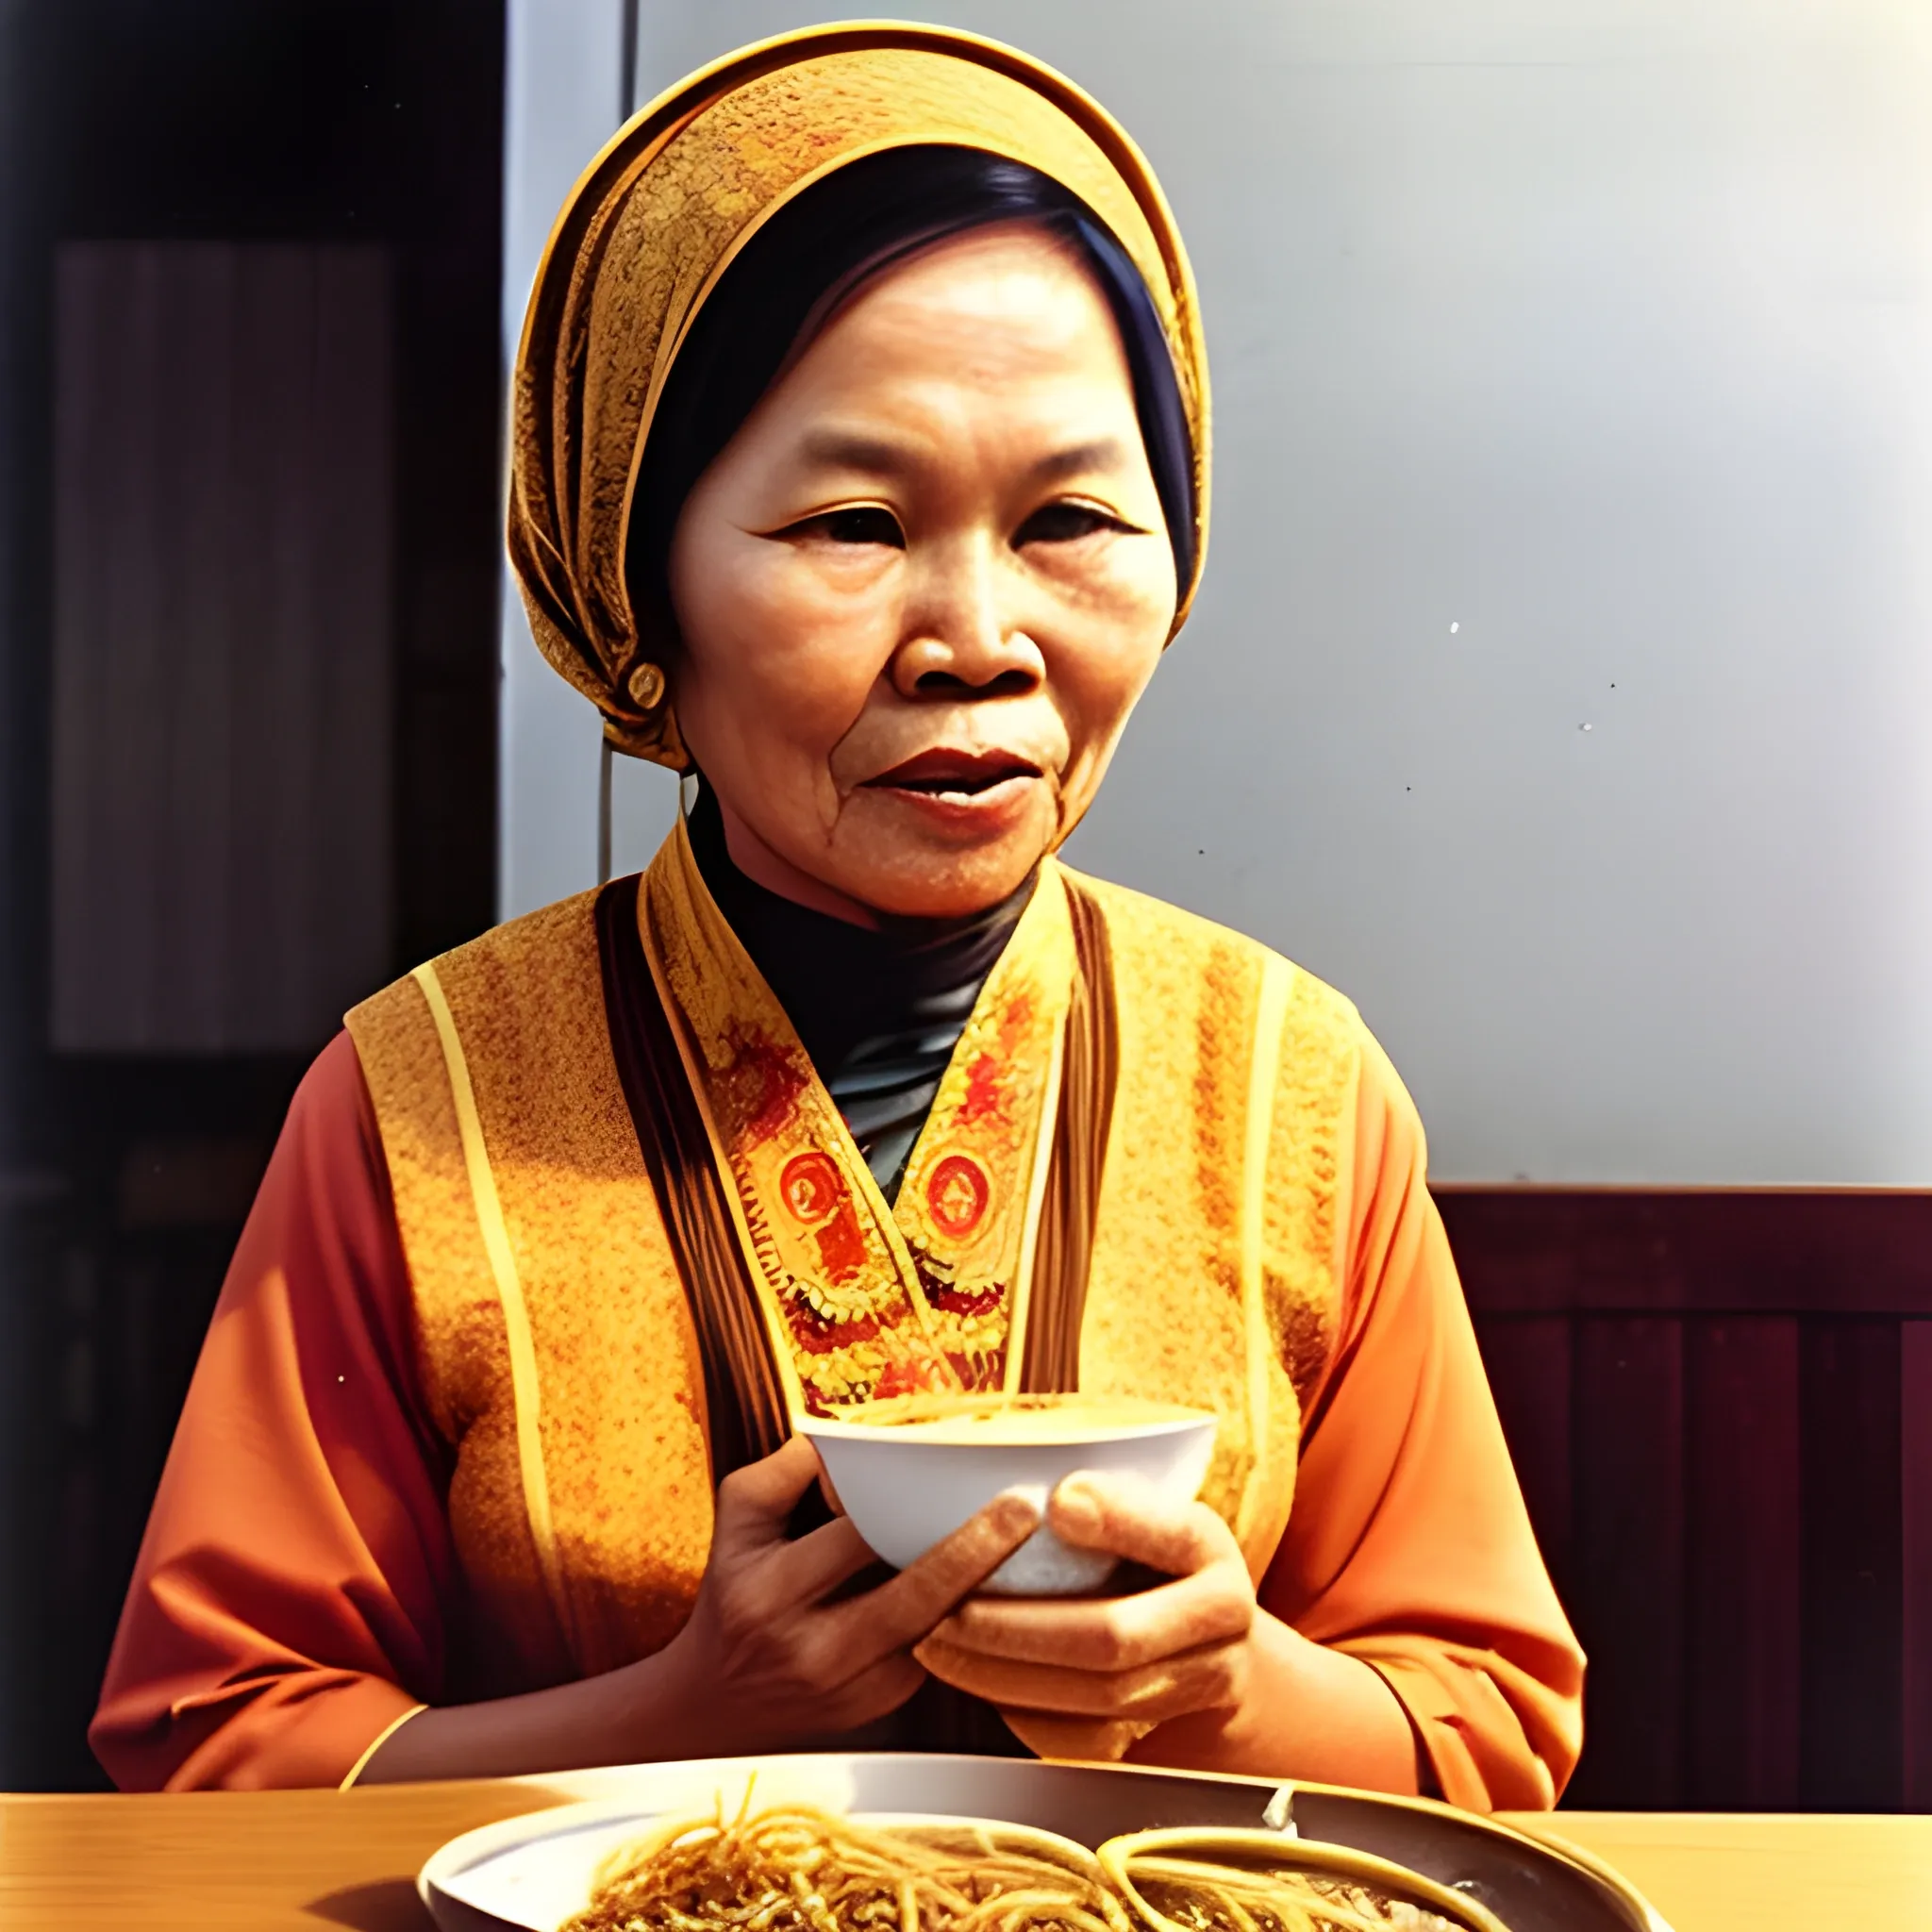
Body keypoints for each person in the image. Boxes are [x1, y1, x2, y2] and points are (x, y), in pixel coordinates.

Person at [91, 23, 1582, 1807]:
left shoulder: (1291, 1090)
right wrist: (673, 1713)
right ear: (640, 569)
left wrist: (1227, 1683)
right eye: (858, 521)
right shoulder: (418, 1105)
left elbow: (1488, 1729)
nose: (980, 637)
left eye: (1073, 519)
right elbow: (214, 1753)